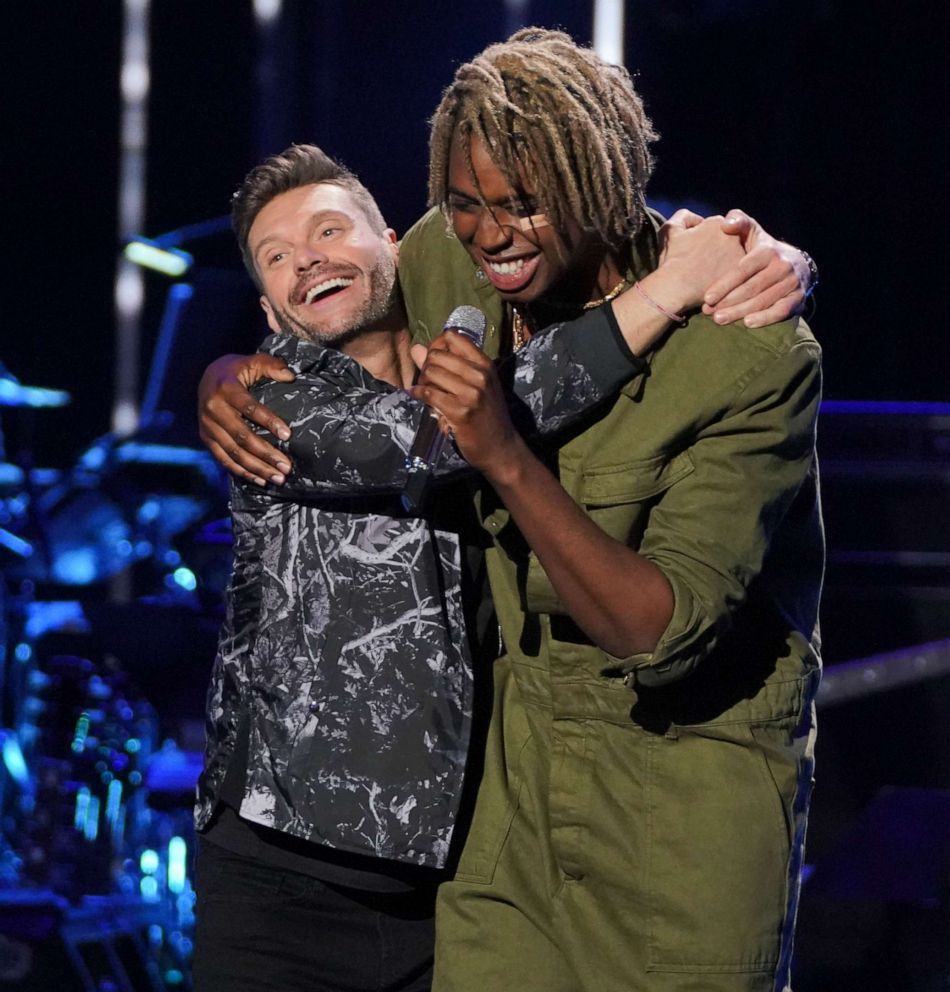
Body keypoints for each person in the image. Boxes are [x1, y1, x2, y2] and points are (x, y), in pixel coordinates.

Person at [192, 141, 751, 992]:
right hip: (281, 888)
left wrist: (757, 253)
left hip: (455, 894)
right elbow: (438, 438)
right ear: (271, 311)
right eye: (276, 258)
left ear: (394, 245)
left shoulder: (478, 359)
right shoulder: (268, 401)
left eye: (330, 230)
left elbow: (569, 245)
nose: (307, 259)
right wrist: (673, 288)